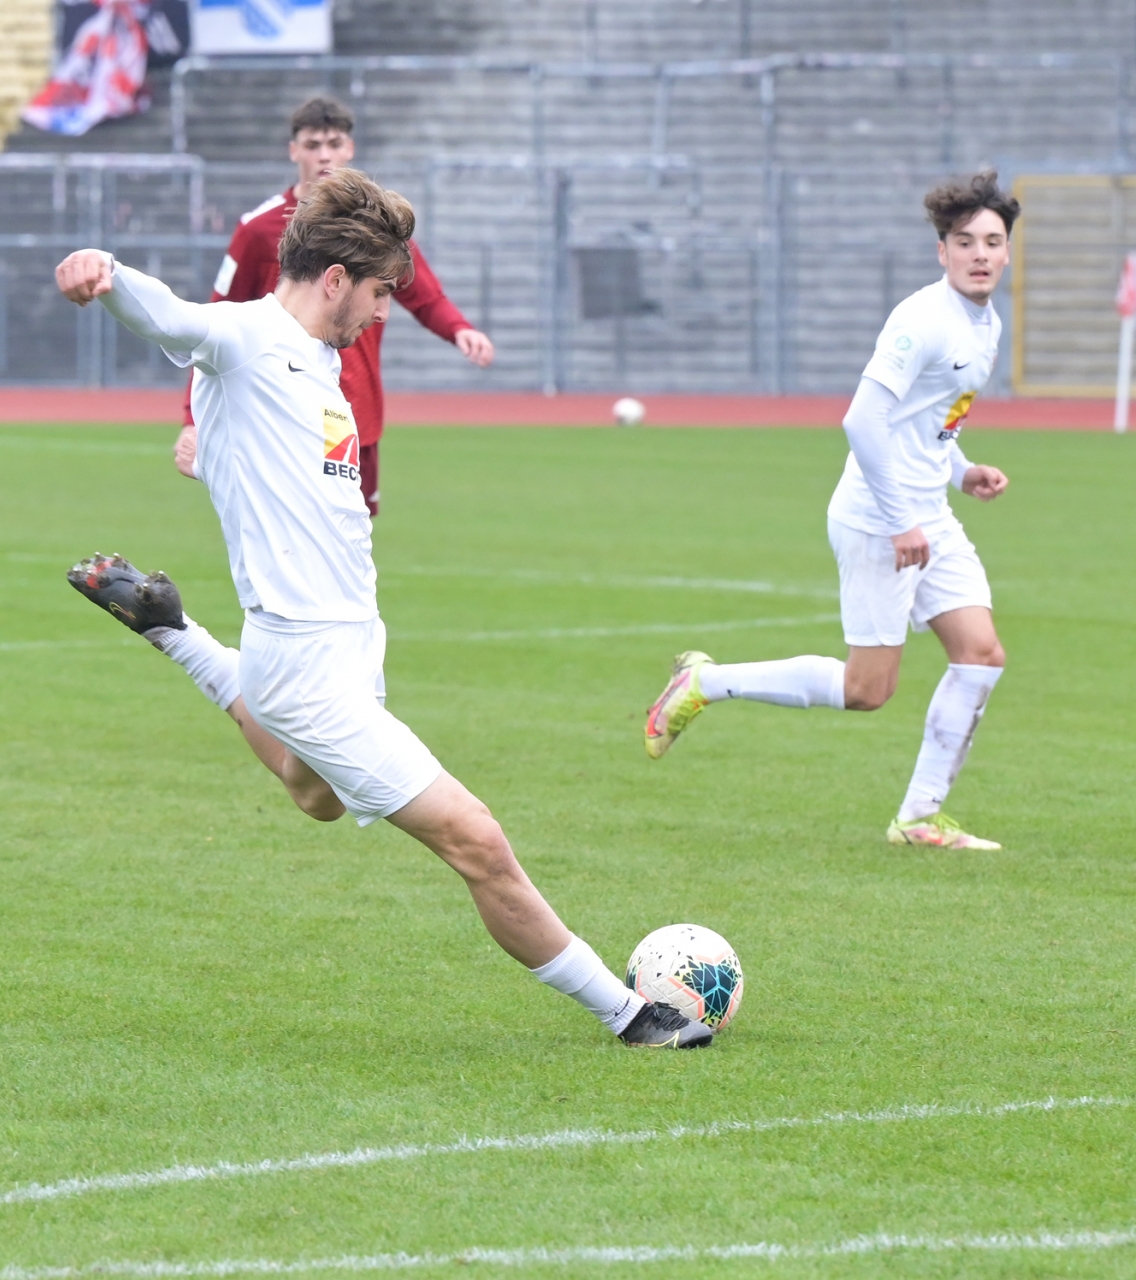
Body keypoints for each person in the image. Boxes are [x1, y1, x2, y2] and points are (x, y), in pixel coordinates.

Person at [58, 169, 710, 1050]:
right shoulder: (245, 337)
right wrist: (102, 272)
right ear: (335, 279)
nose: (379, 313)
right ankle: (629, 1015)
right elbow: (174, 317)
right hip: (302, 660)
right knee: (476, 839)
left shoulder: (323, 364)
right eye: (376, 294)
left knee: (316, 797)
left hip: (349, 646)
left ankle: (175, 630)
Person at [644, 172, 1017, 852]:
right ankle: (704, 682)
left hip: (926, 510)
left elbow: (928, 421)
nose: (980, 254)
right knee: (867, 688)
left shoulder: (984, 321)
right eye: (965, 242)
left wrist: (962, 472)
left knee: (981, 653)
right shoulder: (923, 320)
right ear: (942, 251)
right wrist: (901, 519)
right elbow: (862, 421)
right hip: (880, 517)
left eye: (992, 242)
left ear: (1008, 251)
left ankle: (918, 819)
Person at [173, 96, 494, 516]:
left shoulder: (377, 228)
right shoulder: (258, 230)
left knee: (353, 531)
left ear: (350, 149)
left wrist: (459, 328)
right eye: (313, 145)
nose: (324, 155)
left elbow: (424, 294)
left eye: (334, 143)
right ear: (294, 151)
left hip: (357, 411)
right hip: (284, 407)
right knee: (292, 525)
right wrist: (193, 417)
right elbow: (213, 326)